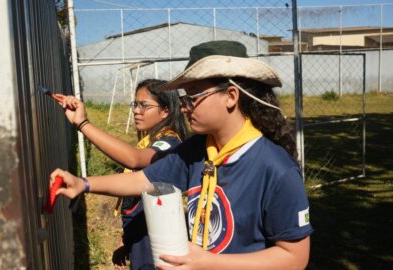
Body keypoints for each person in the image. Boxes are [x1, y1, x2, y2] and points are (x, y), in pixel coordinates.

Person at [52, 41, 313, 269]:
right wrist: (84, 184)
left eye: (193, 97)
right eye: (185, 98)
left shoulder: (276, 169)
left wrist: (208, 263)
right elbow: (143, 180)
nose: (185, 107)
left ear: (230, 97)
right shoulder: (197, 149)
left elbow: (294, 258)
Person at [58, 79, 188, 270]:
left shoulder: (169, 144)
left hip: (153, 242)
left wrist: (83, 124)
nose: (136, 111)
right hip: (140, 236)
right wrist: (126, 240)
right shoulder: (150, 141)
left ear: (165, 111)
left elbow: (133, 159)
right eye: (135, 104)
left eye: (144, 105)